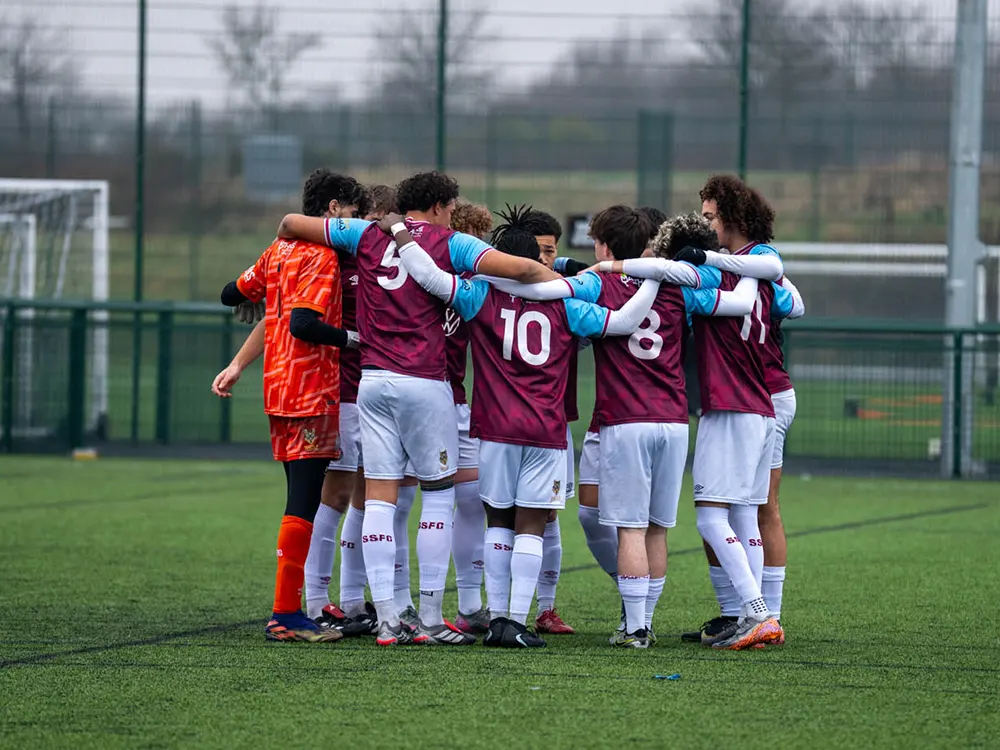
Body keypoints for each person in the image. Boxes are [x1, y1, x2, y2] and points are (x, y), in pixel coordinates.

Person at [275, 171, 561, 646]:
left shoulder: (364, 233)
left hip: (372, 381)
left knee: (380, 499)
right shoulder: (452, 244)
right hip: (425, 383)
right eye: (450, 207)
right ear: (440, 206)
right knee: (439, 495)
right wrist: (557, 280)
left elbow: (288, 223)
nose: (451, 214)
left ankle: (387, 619)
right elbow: (523, 270)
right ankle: (428, 617)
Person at [388, 209, 663, 648]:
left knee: (499, 523)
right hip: (545, 431)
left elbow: (428, 276)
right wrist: (655, 277)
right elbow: (625, 322)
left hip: (493, 429)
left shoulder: (479, 294)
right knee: (532, 525)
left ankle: (497, 620)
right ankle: (516, 622)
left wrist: (400, 231)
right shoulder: (566, 301)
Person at [212, 178, 393, 637]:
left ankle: (296, 607)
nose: (353, 223)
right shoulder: (324, 255)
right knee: (303, 505)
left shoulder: (279, 250)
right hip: (311, 389)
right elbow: (302, 323)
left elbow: (231, 293)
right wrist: (351, 338)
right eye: (352, 213)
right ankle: (286, 614)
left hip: (277, 389)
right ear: (333, 209)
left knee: (303, 502)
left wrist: (258, 298)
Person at [623, 176, 788, 650]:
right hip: (759, 405)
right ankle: (752, 616)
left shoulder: (713, 275)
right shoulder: (757, 273)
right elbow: (792, 299)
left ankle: (757, 615)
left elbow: (680, 281)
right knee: (740, 518)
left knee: (711, 520)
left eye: (712, 214)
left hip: (732, 406)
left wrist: (621, 265)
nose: (708, 222)